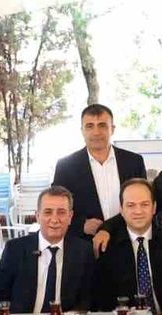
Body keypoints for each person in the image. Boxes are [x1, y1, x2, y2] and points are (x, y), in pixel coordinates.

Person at [0, 186, 96, 314]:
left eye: (61, 212)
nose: (54, 220)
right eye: (48, 212)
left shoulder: (83, 251)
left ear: (70, 217)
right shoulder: (15, 250)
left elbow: (88, 299)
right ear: (37, 216)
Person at [92, 179, 162, 315]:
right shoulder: (108, 248)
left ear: (154, 208)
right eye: (131, 205)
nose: (138, 211)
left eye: (144, 204)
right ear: (121, 210)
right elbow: (102, 299)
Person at [51, 103, 147, 241]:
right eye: (90, 126)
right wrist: (81, 225)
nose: (96, 132)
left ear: (112, 129)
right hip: (85, 243)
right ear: (82, 131)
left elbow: (144, 203)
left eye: (102, 125)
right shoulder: (66, 167)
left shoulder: (133, 162)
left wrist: (108, 227)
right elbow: (56, 208)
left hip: (127, 241)